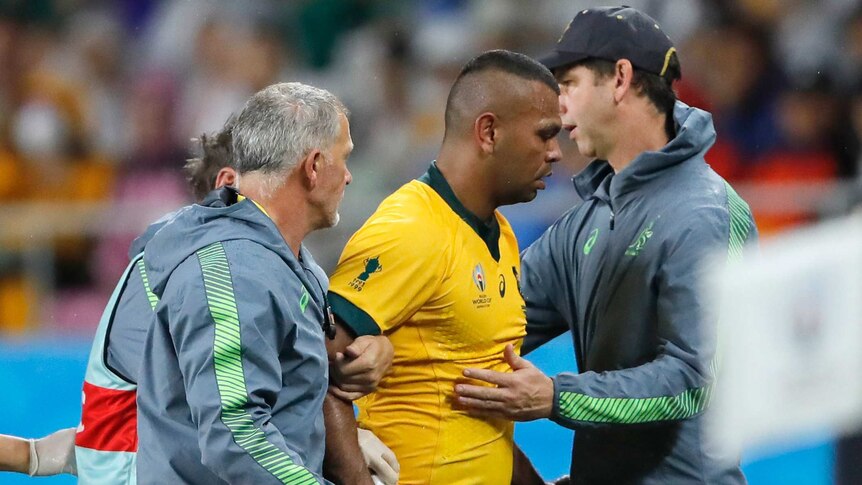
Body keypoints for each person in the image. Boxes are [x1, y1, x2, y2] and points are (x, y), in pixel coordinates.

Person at [2, 114, 397, 484]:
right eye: (271, 176)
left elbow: (282, 375)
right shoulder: (203, 271)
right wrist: (341, 441)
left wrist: (374, 349)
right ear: (229, 182)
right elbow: (222, 424)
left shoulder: (263, 264)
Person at [454, 7, 757, 484]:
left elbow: (693, 383)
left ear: (620, 79)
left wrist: (556, 396)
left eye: (568, 85)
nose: (558, 109)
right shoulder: (587, 219)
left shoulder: (707, 214)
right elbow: (492, 313)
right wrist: (380, 338)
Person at [324, 50, 562, 484]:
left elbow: (478, 421)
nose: (556, 152)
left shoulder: (502, 234)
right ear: (488, 132)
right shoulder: (410, 229)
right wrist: (354, 474)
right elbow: (311, 368)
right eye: (545, 135)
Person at [135, 81, 381, 484]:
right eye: (345, 158)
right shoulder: (234, 270)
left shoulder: (285, 259)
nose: (350, 176)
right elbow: (235, 435)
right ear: (314, 165)